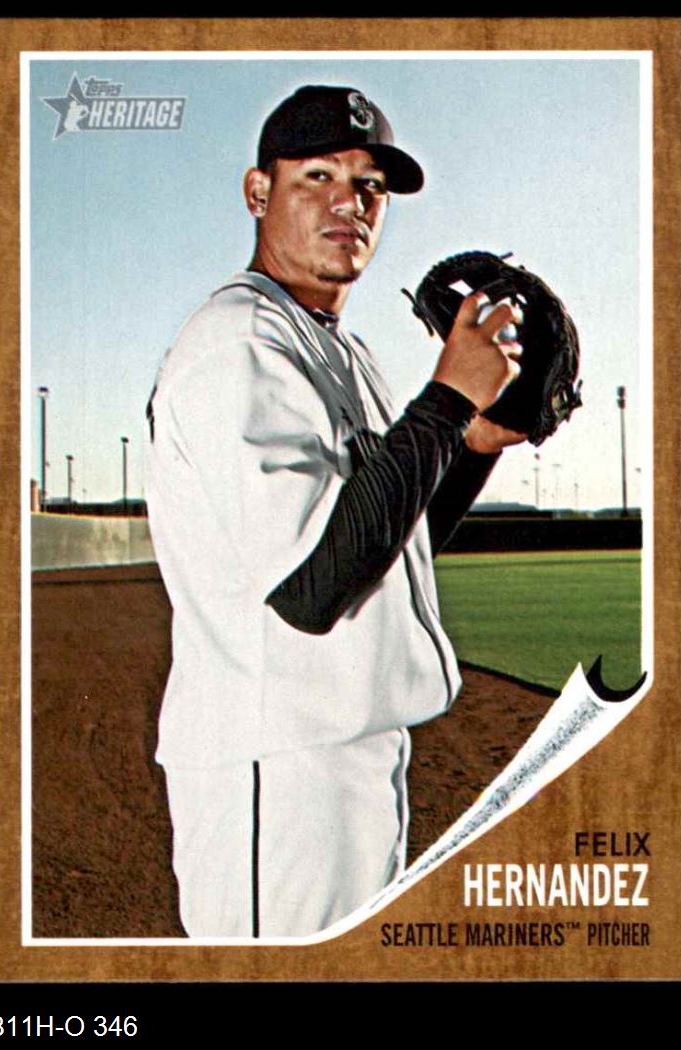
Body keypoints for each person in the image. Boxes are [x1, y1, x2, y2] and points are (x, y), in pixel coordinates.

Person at [145, 85, 525, 939]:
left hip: (350, 750)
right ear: (258, 192)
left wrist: (472, 443)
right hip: (275, 767)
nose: (349, 203)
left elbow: (385, 547)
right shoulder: (239, 339)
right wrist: (446, 402)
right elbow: (310, 588)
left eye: (369, 187)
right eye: (317, 176)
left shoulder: (344, 352)